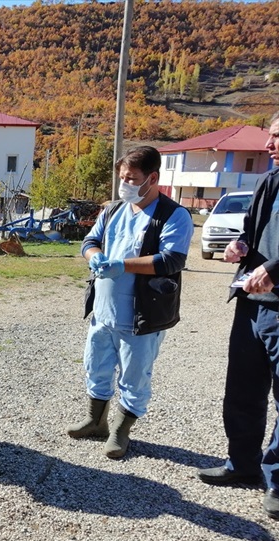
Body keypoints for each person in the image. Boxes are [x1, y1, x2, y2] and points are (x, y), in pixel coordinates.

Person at [67, 146, 193, 458]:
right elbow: (90, 241)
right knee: (96, 366)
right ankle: (96, 421)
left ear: (152, 178)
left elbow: (171, 259)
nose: (125, 184)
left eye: (132, 178)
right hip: (103, 311)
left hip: (142, 316)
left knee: (135, 376)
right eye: (122, 177)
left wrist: (123, 264)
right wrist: (95, 257)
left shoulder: (173, 215)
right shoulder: (113, 210)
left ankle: (121, 431)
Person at [198, 112, 279, 519]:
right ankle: (242, 465)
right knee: (243, 392)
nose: (268, 145)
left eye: (277, 137)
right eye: (270, 136)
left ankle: (277, 482)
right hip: (251, 304)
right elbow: (251, 230)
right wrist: (240, 247)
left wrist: (273, 270)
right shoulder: (269, 179)